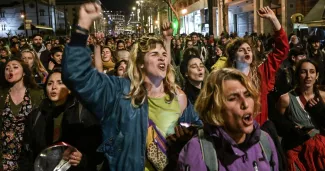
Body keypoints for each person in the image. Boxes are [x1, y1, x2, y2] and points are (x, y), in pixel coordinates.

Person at [62, 3, 202, 170]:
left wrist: (188, 136)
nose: (162, 58)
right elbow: (77, 76)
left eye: (164, 55)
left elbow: (200, 131)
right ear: (140, 63)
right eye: (154, 54)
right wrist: (82, 26)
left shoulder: (179, 97)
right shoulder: (119, 93)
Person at [178, 68, 279, 171]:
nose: (245, 103)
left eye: (247, 94)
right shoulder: (198, 150)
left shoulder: (264, 141)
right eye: (233, 98)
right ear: (215, 109)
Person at [19, 69, 103, 171]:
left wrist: (83, 159)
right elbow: (27, 152)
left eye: (60, 83)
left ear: (69, 89)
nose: (54, 87)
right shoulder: (36, 115)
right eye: (50, 83)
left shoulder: (83, 113)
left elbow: (97, 151)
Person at [225, 6, 289, 125]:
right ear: (233, 57)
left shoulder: (261, 73)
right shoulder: (225, 80)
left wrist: (274, 20)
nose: (246, 51)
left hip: (259, 131)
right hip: (236, 132)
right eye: (241, 50)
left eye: (249, 49)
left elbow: (282, 49)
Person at [276, 59, 325, 171]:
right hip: (298, 156)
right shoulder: (286, 99)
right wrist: (290, 129)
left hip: (320, 155)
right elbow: (278, 126)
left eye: (312, 72)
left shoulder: (323, 97)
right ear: (297, 75)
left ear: (317, 75)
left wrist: (320, 111)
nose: (308, 76)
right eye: (303, 72)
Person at [0, 58, 43, 170]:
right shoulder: (1, 95)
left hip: (27, 155)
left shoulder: (37, 94)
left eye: (15, 67)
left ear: (24, 72)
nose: (10, 70)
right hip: (4, 155)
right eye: (7, 68)